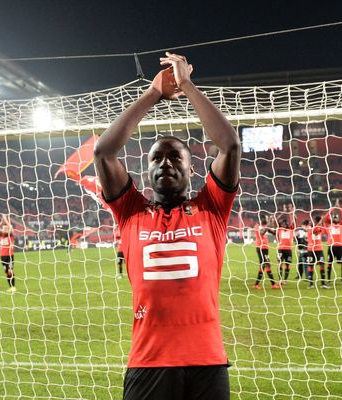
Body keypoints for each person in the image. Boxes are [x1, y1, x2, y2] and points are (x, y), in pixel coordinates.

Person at [94, 52, 240, 400]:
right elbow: (103, 153)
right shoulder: (130, 211)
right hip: (149, 361)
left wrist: (187, 85)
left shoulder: (211, 207)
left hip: (207, 362)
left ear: (192, 169)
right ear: (147, 170)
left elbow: (230, 145)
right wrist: (152, 93)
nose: (165, 163)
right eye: (156, 157)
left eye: (176, 156)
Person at [253, 215, 280, 289]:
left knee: (264, 265)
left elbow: (274, 233)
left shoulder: (264, 227)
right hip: (261, 248)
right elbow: (261, 233)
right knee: (267, 264)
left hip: (265, 248)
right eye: (266, 218)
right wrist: (268, 224)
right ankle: (273, 284)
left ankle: (257, 284)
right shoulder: (257, 226)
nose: (266, 220)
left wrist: (274, 223)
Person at [0, 214, 16, 293]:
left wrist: (6, 219)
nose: (5, 230)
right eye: (4, 229)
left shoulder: (10, 235)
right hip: (2, 256)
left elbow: (10, 228)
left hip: (10, 255)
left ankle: (13, 287)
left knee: (10, 270)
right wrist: (1, 222)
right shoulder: (1, 235)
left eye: (6, 229)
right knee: (7, 272)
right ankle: (11, 287)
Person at [307, 216, 327, 289]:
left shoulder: (320, 228)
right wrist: (320, 221)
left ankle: (323, 283)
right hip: (311, 250)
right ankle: (311, 284)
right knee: (310, 266)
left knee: (322, 265)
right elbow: (315, 232)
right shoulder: (310, 228)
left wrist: (323, 221)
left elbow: (324, 230)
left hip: (319, 250)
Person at [276, 217, 294, 284]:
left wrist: (293, 215)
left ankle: (285, 280)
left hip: (289, 250)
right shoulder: (279, 230)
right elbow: (276, 223)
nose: (284, 226)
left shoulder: (291, 229)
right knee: (280, 264)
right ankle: (280, 280)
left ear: (287, 225)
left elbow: (293, 222)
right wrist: (278, 216)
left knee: (288, 265)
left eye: (285, 224)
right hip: (280, 249)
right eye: (283, 224)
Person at [325, 212, 342, 284]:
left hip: (340, 247)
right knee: (329, 263)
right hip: (331, 247)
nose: (335, 218)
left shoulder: (341, 226)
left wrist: (340, 210)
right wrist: (330, 210)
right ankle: (328, 280)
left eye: (337, 217)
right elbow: (326, 218)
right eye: (334, 217)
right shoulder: (329, 226)